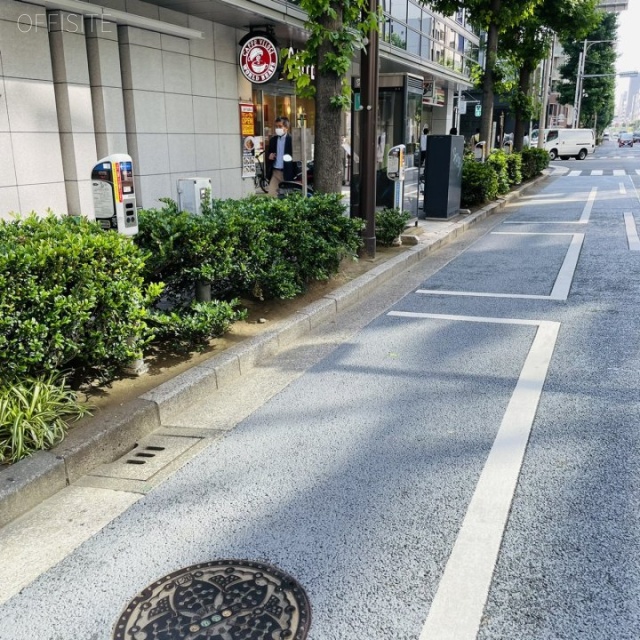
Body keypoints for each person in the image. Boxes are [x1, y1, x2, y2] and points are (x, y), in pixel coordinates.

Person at [266, 116, 295, 197]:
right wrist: (270, 156)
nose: (277, 129)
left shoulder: (291, 140)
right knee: (271, 196)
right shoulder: (273, 140)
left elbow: (296, 158)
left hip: (287, 172)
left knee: (286, 197)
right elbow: (270, 154)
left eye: (280, 126)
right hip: (275, 172)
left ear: (286, 127)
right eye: (276, 126)